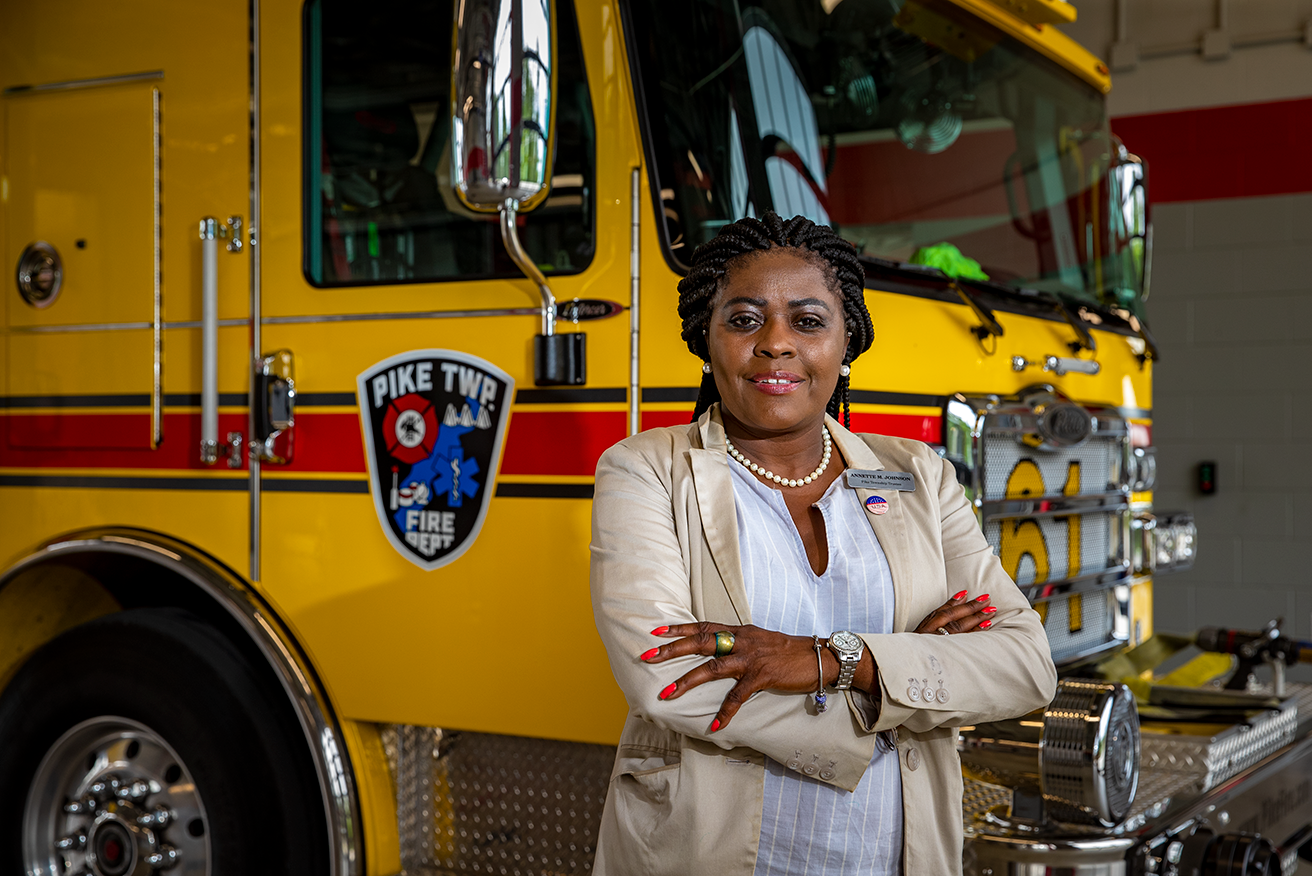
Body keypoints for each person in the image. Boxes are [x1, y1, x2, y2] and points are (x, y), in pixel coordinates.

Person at [589, 212, 1056, 876]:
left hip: (894, 853)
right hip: (710, 851)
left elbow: (1024, 663)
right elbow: (667, 677)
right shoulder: (646, 470)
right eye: (744, 319)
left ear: (847, 344)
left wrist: (830, 661)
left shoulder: (918, 476)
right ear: (705, 337)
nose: (776, 344)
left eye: (808, 322)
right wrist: (901, 686)